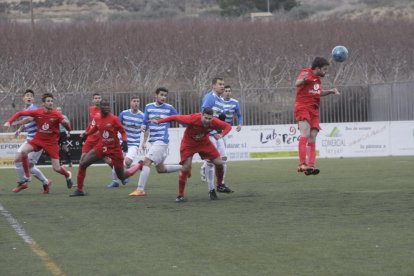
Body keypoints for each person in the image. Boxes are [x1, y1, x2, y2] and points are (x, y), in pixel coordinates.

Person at [149, 107, 232, 202]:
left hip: (204, 142)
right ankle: (180, 195)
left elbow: (227, 127)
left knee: (219, 163)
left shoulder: (214, 122)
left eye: (210, 119)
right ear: (201, 115)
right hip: (189, 144)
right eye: (205, 118)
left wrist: (221, 135)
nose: (207, 121)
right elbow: (175, 117)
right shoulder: (192, 119)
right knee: (186, 167)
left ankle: (220, 185)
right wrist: (159, 121)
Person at [70, 99, 143, 196]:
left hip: (114, 149)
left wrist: (125, 141)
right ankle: (80, 190)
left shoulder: (114, 119)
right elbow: (96, 128)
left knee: (122, 176)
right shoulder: (97, 117)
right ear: (100, 107)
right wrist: (86, 134)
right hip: (102, 146)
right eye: (104, 105)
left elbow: (123, 132)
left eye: (108, 106)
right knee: (83, 164)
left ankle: (138, 165)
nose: (107, 107)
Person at [4, 93, 73, 193]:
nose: (50, 103)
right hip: (38, 140)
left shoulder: (56, 114)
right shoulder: (38, 111)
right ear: (43, 103)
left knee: (56, 168)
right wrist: (9, 122)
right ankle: (27, 177)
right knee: (23, 151)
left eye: (51, 101)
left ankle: (67, 175)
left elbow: (68, 129)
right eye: (48, 101)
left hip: (51, 143)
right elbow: (20, 114)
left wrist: (66, 125)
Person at [129, 87, 182, 197]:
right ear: (156, 95)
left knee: (146, 162)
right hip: (154, 141)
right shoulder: (148, 107)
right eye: (161, 95)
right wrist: (143, 126)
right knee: (161, 169)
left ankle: (140, 189)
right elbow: (145, 121)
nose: (163, 97)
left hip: (162, 141)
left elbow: (180, 119)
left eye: (165, 95)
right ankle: (185, 168)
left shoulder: (169, 108)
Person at [294, 57, 340, 175]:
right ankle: (302, 164)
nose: (326, 71)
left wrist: (330, 91)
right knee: (305, 133)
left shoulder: (318, 80)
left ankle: (311, 166)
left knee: (313, 136)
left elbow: (318, 93)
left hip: (314, 110)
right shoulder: (306, 72)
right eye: (324, 69)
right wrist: (303, 80)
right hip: (303, 107)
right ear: (317, 68)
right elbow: (297, 83)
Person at [7, 89, 52, 194]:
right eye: (27, 95)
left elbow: (29, 120)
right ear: (23, 98)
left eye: (31, 96)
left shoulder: (35, 108)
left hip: (37, 140)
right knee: (18, 160)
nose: (29, 97)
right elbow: (25, 123)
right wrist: (19, 130)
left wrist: (14, 123)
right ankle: (23, 182)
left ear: (33, 99)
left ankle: (45, 182)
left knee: (29, 166)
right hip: (29, 139)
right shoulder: (24, 110)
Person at [200, 77, 234, 193]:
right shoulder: (210, 98)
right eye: (220, 84)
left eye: (223, 84)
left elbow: (217, 118)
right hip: (210, 135)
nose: (222, 86)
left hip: (217, 135)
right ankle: (211, 189)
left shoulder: (220, 99)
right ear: (213, 86)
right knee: (210, 162)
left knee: (223, 159)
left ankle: (221, 184)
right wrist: (211, 131)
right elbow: (204, 116)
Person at [107, 96, 145, 188]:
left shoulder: (143, 116)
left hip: (134, 143)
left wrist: (144, 141)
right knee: (116, 161)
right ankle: (115, 181)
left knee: (127, 161)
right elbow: (116, 126)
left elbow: (146, 129)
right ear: (130, 103)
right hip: (122, 141)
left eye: (138, 101)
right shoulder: (124, 114)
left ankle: (126, 174)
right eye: (134, 101)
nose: (136, 103)